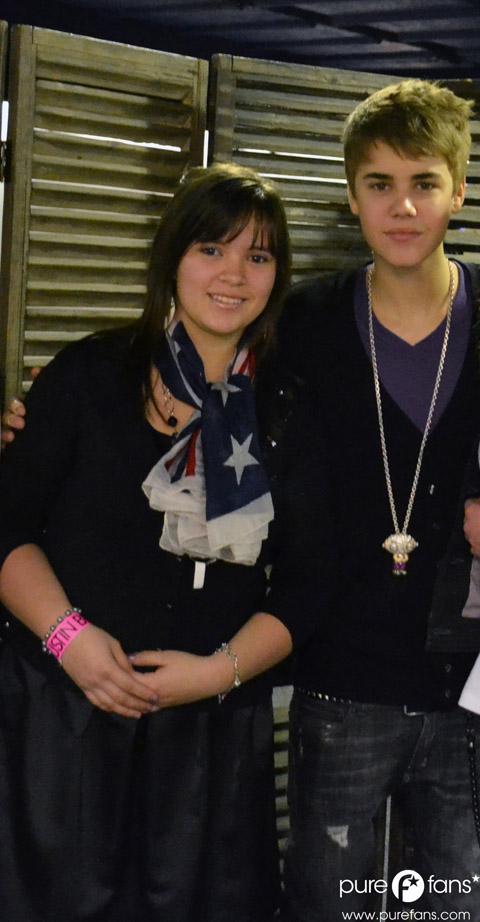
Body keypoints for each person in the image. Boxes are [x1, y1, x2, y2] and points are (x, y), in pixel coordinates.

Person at [0, 162, 329, 922]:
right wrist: (68, 637)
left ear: (277, 278)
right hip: (64, 718)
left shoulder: (288, 408)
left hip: (210, 735)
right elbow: (8, 526)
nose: (233, 274)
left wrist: (218, 673)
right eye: (211, 249)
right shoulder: (88, 375)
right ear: (171, 256)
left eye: (259, 255)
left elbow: (313, 581)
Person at [274, 79, 480, 919]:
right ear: (350, 193)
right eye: (380, 183)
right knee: (330, 902)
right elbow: (198, 412)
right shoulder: (301, 322)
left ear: (459, 190)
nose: (403, 206)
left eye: (424, 182)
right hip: (340, 674)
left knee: (458, 902)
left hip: (470, 679)